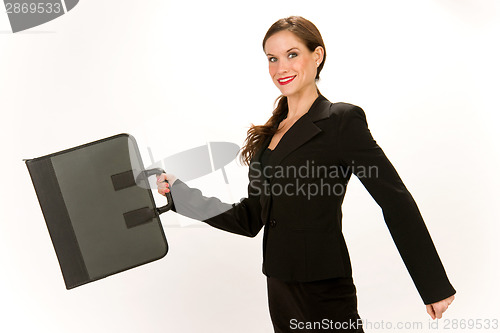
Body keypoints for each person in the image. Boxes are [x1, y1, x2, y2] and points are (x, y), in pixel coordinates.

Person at [156, 16, 456, 332]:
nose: (280, 67)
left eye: (292, 54)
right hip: (279, 285)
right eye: (272, 58)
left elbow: (394, 199)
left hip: (323, 288)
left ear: (317, 56)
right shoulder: (268, 135)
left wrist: (433, 285)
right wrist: (180, 193)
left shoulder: (341, 120)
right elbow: (250, 218)